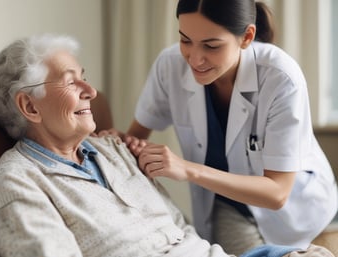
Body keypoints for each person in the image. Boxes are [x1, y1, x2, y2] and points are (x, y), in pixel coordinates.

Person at [0, 34, 335, 257]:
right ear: (29, 106)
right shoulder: (16, 182)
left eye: (85, 78)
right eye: (72, 83)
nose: (91, 91)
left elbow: (181, 230)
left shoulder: (112, 150)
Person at [103, 0, 338, 255]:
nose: (194, 58)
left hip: (300, 211)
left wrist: (187, 169)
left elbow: (277, 192)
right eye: (185, 40)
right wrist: (117, 144)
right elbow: (135, 137)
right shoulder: (169, 66)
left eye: (211, 46)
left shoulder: (281, 77)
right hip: (230, 209)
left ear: (247, 37)